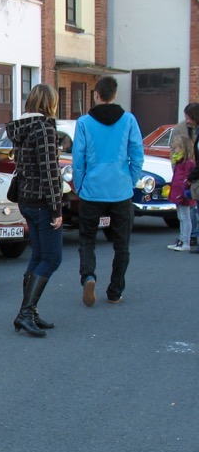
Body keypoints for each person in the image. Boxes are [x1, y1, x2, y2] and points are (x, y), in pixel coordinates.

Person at [72, 76, 144, 305]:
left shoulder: (84, 122)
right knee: (122, 244)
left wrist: (80, 185)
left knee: (87, 239)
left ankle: (89, 276)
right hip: (120, 190)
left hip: (92, 189)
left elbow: (78, 159)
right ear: (115, 94)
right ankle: (115, 291)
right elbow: (137, 155)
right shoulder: (129, 120)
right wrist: (130, 181)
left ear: (96, 94)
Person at [5, 84, 63, 337]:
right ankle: (26, 313)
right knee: (52, 258)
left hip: (26, 199)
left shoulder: (22, 128)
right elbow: (50, 172)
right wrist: (57, 209)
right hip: (41, 201)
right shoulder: (44, 129)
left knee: (39, 256)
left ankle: (31, 312)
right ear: (49, 103)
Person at [168, 103, 199, 251]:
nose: (187, 120)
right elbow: (173, 148)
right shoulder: (180, 129)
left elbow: (188, 173)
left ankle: (188, 239)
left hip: (189, 183)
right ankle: (185, 239)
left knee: (188, 213)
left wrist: (187, 181)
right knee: (184, 214)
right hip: (185, 183)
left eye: (188, 117)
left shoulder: (188, 164)